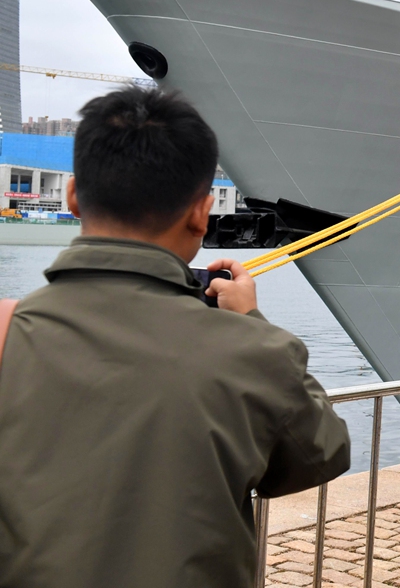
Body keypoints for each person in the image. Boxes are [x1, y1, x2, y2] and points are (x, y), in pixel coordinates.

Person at [0, 88, 351, 587]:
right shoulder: (254, 352)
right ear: (201, 213)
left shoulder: (7, 334)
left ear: (73, 195)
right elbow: (321, 455)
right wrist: (251, 321)